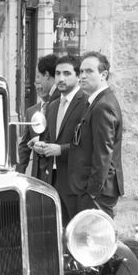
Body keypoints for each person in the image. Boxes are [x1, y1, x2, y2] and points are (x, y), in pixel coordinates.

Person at [32, 55, 87, 224]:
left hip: (75, 184)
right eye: (57, 73)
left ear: (78, 76)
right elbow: (49, 138)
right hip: (52, 181)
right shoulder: (53, 105)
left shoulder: (86, 103)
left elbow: (88, 145)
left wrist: (60, 149)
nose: (61, 78)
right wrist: (41, 146)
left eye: (66, 73)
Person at [69, 51, 124, 219]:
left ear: (103, 75)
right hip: (92, 190)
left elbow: (103, 154)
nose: (82, 76)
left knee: (95, 242)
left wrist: (92, 193)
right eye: (81, 72)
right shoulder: (95, 102)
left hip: (97, 193)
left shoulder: (102, 105)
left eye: (89, 71)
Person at [16, 53, 60, 175]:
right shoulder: (31, 111)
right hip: (37, 175)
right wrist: (19, 172)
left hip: (55, 173)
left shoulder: (61, 103)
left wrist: (40, 141)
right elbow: (24, 145)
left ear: (47, 75)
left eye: (38, 77)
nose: (37, 83)